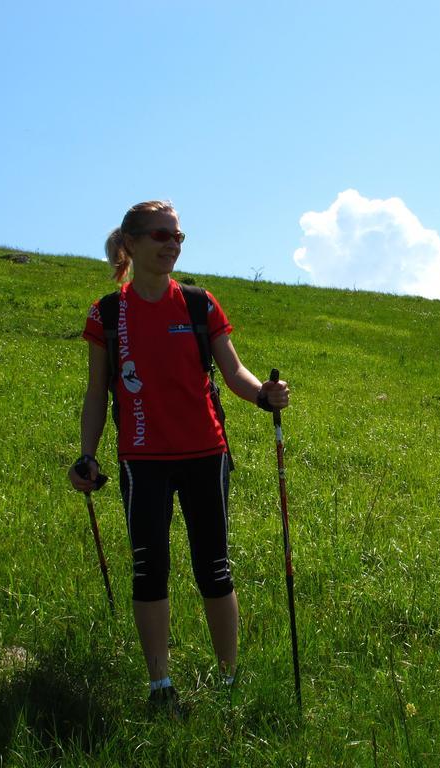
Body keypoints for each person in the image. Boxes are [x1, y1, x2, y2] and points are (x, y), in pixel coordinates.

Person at [68, 200, 289, 715]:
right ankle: (160, 685)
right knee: (149, 569)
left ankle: (230, 678)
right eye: (163, 235)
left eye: (179, 236)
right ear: (133, 243)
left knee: (214, 566)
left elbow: (234, 372)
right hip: (140, 459)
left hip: (204, 453)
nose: (173, 244)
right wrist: (87, 456)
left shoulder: (198, 304)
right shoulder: (107, 314)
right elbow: (97, 392)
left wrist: (265, 395)